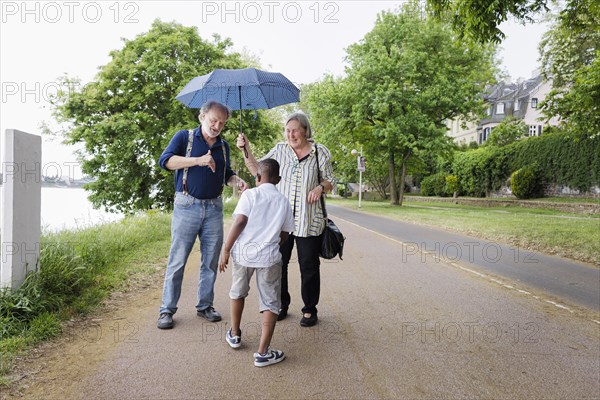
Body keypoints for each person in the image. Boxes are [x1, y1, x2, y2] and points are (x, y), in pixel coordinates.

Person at [157, 100, 248, 329]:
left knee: (210, 261)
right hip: (186, 205)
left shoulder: (224, 147)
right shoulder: (184, 137)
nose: (216, 126)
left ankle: (205, 305)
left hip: (214, 208)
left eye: (221, 123)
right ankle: (167, 310)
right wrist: (198, 160)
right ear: (202, 117)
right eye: (213, 120)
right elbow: (166, 162)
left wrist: (236, 181)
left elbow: (225, 174)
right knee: (178, 260)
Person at [236, 112, 334, 327]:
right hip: (281, 221)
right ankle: (281, 304)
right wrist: (246, 149)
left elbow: (330, 180)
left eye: (295, 130)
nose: (290, 135)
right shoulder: (280, 150)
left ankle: (309, 309)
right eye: (287, 131)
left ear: (305, 131)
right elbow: (257, 171)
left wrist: (320, 187)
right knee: (278, 263)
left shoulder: (320, 151)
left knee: (309, 265)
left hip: (310, 220)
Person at [219, 159, 294, 367]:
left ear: (257, 177)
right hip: (269, 257)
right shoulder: (283, 201)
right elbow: (285, 235)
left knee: (238, 291)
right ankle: (262, 353)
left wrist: (226, 249)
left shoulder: (250, 195)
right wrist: (269, 242)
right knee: (270, 302)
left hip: (243, 254)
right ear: (278, 180)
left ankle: (234, 334)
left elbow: (240, 221)